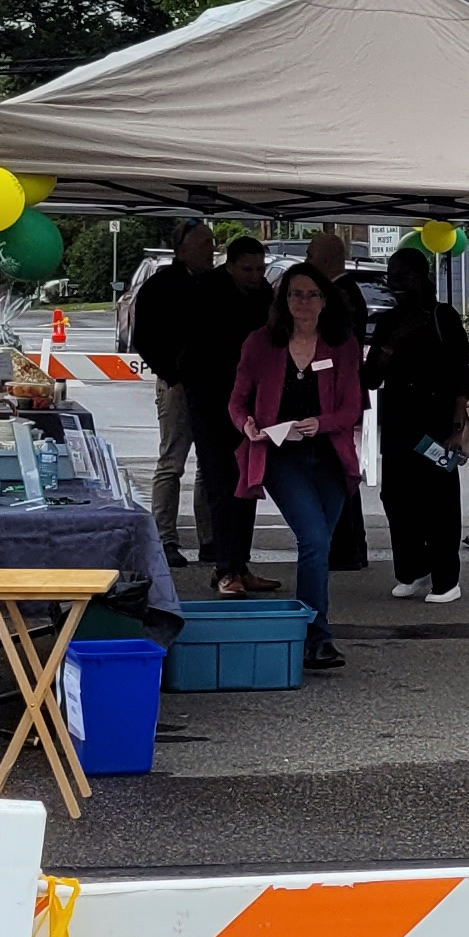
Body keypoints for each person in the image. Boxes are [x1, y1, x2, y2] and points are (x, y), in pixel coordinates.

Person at [227, 261, 365, 672]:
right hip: (281, 455)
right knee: (314, 540)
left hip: (329, 456)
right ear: (282, 300)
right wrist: (247, 423)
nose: (303, 302)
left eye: (311, 294)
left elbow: (352, 407)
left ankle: (311, 633)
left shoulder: (342, 345)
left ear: (325, 301)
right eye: (295, 294)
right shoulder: (260, 343)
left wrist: (321, 423)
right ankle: (316, 637)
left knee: (319, 545)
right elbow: (237, 401)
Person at [369, 244, 469, 605]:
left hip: (438, 421)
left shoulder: (444, 317)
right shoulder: (388, 322)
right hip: (398, 422)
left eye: (403, 277)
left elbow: (461, 373)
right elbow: (369, 378)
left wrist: (458, 427)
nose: (396, 284)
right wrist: (388, 349)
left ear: (421, 277)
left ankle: (447, 578)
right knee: (396, 496)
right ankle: (412, 569)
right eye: (391, 277)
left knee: (439, 500)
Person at [124, 221, 218, 559]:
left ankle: (210, 539)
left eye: (212, 242)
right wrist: (172, 375)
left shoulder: (214, 285)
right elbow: (144, 339)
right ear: (183, 248)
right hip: (177, 385)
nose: (211, 249)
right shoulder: (160, 286)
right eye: (204, 242)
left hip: (210, 386)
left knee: (209, 464)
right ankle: (165, 538)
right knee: (172, 462)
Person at [189, 234, 273, 594]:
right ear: (230, 264)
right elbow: (189, 343)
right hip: (211, 400)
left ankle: (240, 563)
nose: (255, 276)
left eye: (259, 268)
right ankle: (225, 568)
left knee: (247, 484)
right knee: (222, 484)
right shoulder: (206, 290)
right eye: (247, 269)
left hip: (251, 404)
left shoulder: (264, 294)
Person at [300, 228, 374, 574]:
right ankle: (346, 545)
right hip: (337, 395)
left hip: (335, 398)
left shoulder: (340, 296)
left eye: (311, 256)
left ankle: (345, 546)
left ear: (326, 260)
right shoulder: (345, 293)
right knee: (334, 469)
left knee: (335, 469)